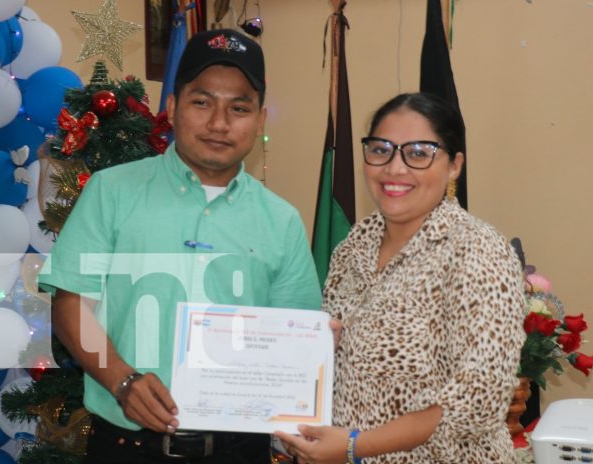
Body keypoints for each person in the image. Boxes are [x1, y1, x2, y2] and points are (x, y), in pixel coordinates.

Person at [38, 29, 322, 464]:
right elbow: (72, 304)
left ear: (260, 120)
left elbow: (292, 336)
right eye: (202, 102)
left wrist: (312, 347)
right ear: (172, 107)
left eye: (239, 108)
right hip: (125, 448)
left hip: (238, 451)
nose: (219, 123)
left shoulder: (281, 220)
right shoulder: (111, 192)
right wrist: (122, 380)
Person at [275, 92, 526, 464]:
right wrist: (323, 345)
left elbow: (479, 398)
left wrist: (353, 446)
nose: (394, 168)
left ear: (454, 165)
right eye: (381, 150)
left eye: (419, 153)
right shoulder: (353, 246)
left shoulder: (476, 249)